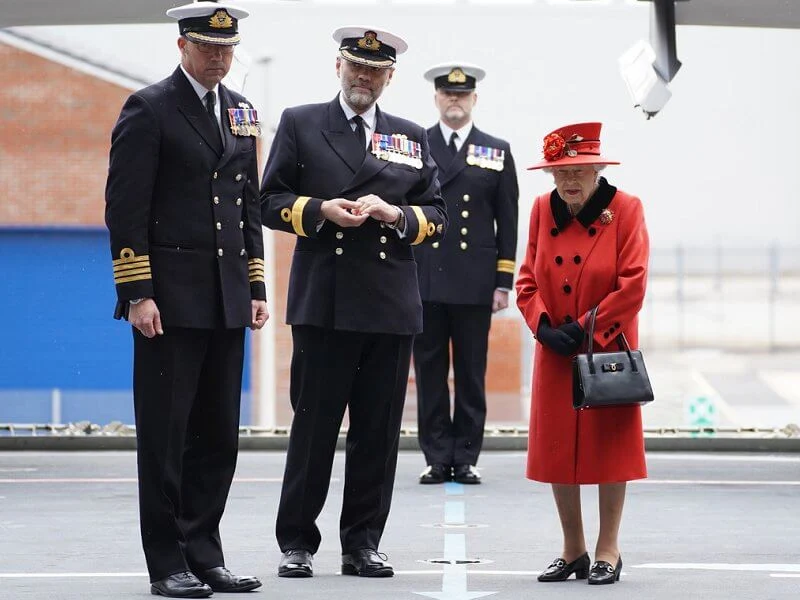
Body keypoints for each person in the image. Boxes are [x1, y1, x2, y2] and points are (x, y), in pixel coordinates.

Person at [260, 26, 447, 579]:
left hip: (389, 307)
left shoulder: (411, 136)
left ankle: (362, 542)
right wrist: (320, 209)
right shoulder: (301, 122)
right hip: (326, 304)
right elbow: (269, 201)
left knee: (378, 432)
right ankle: (296, 541)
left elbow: (434, 214)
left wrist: (395, 215)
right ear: (337, 67)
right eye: (354, 66)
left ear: (390, 76)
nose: (363, 77)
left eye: (375, 70)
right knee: (314, 428)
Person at [104, 1, 267, 596]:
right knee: (168, 435)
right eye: (207, 47)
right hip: (169, 302)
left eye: (226, 49)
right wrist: (138, 292)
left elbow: (247, 202)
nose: (219, 58)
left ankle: (205, 553)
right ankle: (166, 561)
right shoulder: (149, 108)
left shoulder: (243, 112)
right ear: (182, 46)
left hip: (225, 298)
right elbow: (125, 210)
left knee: (218, 434)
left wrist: (255, 284)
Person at [515, 122, 649, 585]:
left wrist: (588, 326)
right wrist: (543, 324)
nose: (569, 181)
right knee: (558, 449)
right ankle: (573, 550)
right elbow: (526, 279)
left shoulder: (626, 209)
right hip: (556, 353)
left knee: (609, 449)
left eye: (579, 171)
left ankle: (608, 548)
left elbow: (633, 284)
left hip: (605, 348)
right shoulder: (539, 210)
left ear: (597, 169)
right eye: (559, 172)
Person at [413, 63, 518, 485]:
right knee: (430, 372)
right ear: (436, 98)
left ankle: (467, 456)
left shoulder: (496, 149)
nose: (454, 100)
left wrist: (503, 281)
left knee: (472, 372)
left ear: (474, 99)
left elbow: (507, 221)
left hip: (475, 282)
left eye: (462, 95)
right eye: (447, 94)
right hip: (426, 279)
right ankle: (437, 457)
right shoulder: (415, 145)